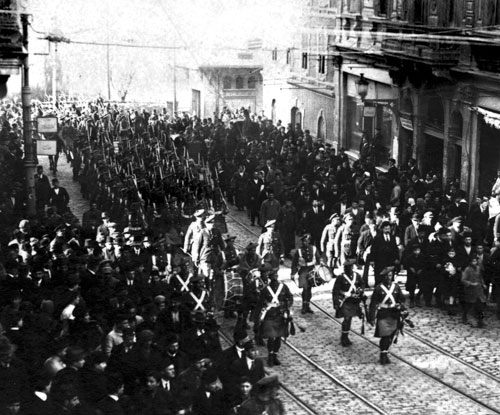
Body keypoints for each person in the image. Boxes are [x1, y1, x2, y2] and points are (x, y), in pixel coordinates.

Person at [254, 270, 293, 367]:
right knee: (271, 337)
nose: (275, 278)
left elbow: (290, 297)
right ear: (270, 278)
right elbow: (260, 304)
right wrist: (256, 319)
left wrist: (286, 305)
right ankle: (270, 356)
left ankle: (275, 355)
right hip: (269, 316)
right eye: (273, 276)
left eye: (276, 276)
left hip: (280, 315)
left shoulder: (283, 287)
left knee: (278, 337)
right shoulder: (265, 290)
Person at [368, 267, 406, 364]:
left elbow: (402, 299)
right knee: (385, 336)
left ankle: (385, 351)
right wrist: (371, 318)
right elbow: (373, 304)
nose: (389, 278)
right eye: (387, 276)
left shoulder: (396, 287)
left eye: (390, 275)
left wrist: (401, 307)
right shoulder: (378, 288)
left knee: (391, 336)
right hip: (383, 314)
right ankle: (383, 355)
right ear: (383, 277)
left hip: (394, 314)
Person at [332, 259, 365, 347]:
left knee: (349, 319)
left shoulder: (357, 276)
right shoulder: (341, 277)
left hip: (353, 301)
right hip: (345, 301)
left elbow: (362, 284)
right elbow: (335, 290)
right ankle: (344, 337)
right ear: (345, 268)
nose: (350, 268)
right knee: (347, 318)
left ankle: (346, 335)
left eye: (351, 267)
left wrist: (360, 290)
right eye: (348, 267)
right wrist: (336, 302)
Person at [291, 233, 322, 314]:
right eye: (304, 241)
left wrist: (320, 268)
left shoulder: (314, 249)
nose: (305, 242)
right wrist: (293, 273)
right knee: (305, 288)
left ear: (309, 241)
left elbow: (319, 259)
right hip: (303, 271)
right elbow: (294, 263)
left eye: (307, 241)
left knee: (310, 289)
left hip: (312, 271)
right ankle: (304, 306)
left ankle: (307, 305)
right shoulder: (299, 251)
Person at [461, 255, 487, 327]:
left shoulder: (478, 268)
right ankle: (465, 317)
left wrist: (483, 284)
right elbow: (463, 280)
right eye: (473, 261)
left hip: (479, 290)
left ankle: (480, 320)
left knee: (480, 306)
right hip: (471, 291)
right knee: (469, 305)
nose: (475, 263)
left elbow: (480, 277)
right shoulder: (467, 269)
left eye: (476, 261)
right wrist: (471, 284)